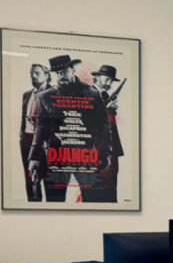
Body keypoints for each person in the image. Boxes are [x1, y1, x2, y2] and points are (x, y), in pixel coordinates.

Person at [28, 54, 112, 203]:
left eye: (64, 71)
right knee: (55, 201)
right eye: (58, 73)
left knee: (93, 201)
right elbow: (40, 129)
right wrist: (34, 157)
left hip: (85, 156)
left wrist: (105, 152)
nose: (61, 76)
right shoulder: (45, 97)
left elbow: (103, 127)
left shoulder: (92, 95)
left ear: (73, 70)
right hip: (57, 156)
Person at [89, 64, 125, 203]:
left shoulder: (105, 95)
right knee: (94, 193)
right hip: (95, 150)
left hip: (111, 148)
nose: (109, 83)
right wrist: (109, 111)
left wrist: (112, 111)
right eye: (106, 79)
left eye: (111, 80)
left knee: (110, 191)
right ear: (97, 77)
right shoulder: (87, 94)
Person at [18, 63, 50, 202]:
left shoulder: (54, 93)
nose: (33, 76)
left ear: (46, 75)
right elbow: (23, 117)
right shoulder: (26, 95)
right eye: (31, 74)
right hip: (27, 139)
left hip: (45, 142)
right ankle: (33, 205)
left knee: (48, 178)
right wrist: (22, 135)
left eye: (37, 73)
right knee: (30, 178)